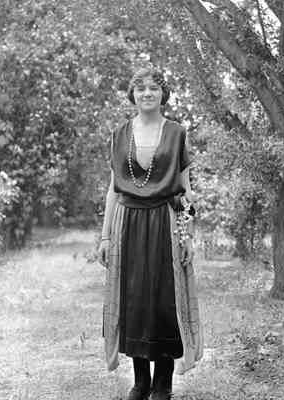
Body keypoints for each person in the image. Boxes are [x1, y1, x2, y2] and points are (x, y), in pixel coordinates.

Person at [98, 66, 203, 400]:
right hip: (127, 223)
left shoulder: (177, 133)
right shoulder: (118, 134)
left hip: (165, 222)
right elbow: (113, 190)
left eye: (153, 88)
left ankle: (164, 382)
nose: (147, 93)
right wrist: (105, 237)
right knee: (133, 300)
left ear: (163, 94)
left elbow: (186, 190)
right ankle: (141, 381)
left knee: (163, 300)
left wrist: (187, 236)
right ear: (132, 94)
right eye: (140, 88)